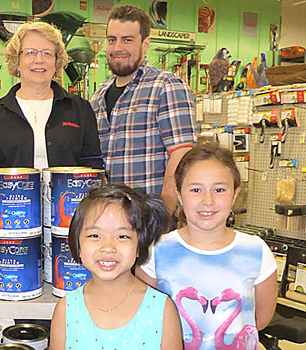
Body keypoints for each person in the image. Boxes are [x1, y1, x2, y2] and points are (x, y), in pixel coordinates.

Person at [136, 143, 278, 349]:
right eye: (196, 190)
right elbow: (147, 316)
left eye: (219, 190)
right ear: (179, 194)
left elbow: (260, 319)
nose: (208, 200)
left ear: (235, 194)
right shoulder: (155, 252)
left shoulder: (256, 251)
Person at [50, 184, 182, 349]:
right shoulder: (66, 309)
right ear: (77, 243)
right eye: (95, 235)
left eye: (122, 236)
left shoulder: (162, 310)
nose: (108, 247)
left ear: (140, 244)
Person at [91, 4, 196, 211]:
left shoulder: (166, 86)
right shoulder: (97, 97)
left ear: (145, 43)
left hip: (151, 219)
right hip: (111, 219)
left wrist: (163, 216)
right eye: (112, 40)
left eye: (127, 40)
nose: (117, 47)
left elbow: (182, 154)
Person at [0, 21, 103, 169]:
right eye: (30, 52)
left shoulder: (80, 109)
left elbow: (93, 165)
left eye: (47, 53)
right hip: (13, 192)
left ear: (56, 62)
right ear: (17, 60)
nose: (39, 60)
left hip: (69, 193)